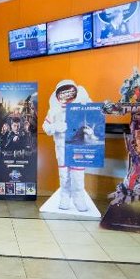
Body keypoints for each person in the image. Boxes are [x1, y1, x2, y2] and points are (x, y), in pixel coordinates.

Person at [42, 80, 91, 211]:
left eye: (69, 93)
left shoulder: (82, 108)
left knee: (78, 175)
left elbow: (93, 121)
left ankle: (79, 199)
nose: (66, 96)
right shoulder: (54, 111)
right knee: (64, 175)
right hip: (61, 148)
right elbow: (45, 126)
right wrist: (56, 127)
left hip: (77, 147)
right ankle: (64, 197)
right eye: (63, 93)